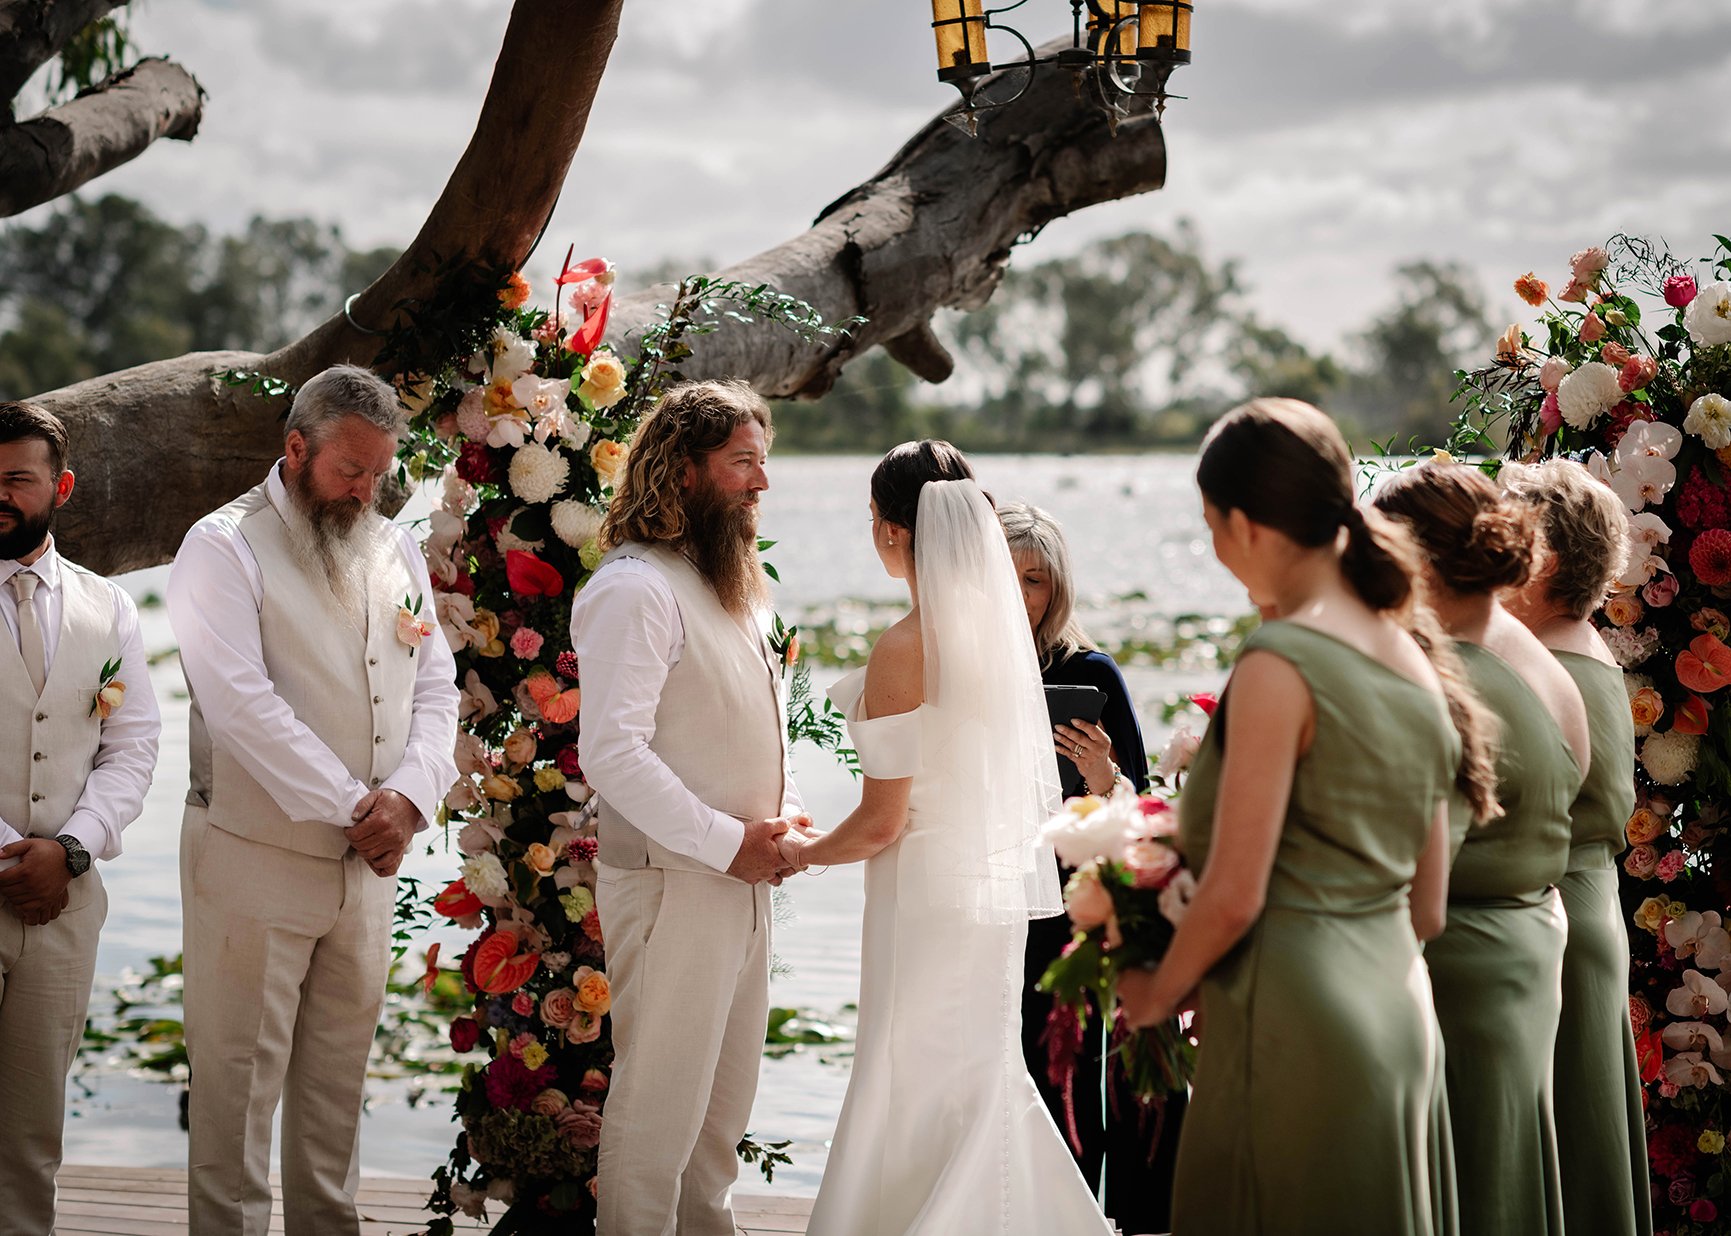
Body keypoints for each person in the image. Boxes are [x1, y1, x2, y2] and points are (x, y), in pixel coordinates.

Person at [1118, 399, 1495, 1236]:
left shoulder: (1280, 661)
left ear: (1243, 525)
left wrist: (1153, 992)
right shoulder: (1416, 659)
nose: (1216, 551)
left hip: (1294, 1026)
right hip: (1399, 1015)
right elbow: (1427, 909)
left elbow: (1234, 897)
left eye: (1211, 528)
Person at [787, 441, 1112, 1236]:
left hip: (924, 892)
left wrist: (799, 852)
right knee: (976, 1068)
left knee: (909, 1066)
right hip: (988, 890)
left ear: (890, 529)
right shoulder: (996, 636)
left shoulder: (907, 644)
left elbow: (881, 820)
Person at [168, 365, 460, 1235]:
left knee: (336, 1101)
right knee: (236, 1099)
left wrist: (410, 798)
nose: (366, 490)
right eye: (349, 471)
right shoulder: (220, 547)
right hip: (251, 862)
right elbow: (241, 706)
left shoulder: (392, 546)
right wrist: (358, 809)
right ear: (295, 449)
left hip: (366, 870)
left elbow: (435, 685)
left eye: (379, 474)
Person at [570, 379, 809, 1236]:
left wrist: (786, 825)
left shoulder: (727, 583)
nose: (760, 482)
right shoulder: (634, 588)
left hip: (743, 882)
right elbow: (612, 753)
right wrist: (725, 843)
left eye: (761, 462)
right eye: (742, 462)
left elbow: (752, 729)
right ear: (683, 469)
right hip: (675, 884)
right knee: (658, 1112)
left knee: (719, 1125)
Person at [1375, 459, 1589, 1236]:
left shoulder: (1447, 676)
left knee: (1464, 1184)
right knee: (1503, 1175)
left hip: (1457, 966)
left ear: (1414, 559)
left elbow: (1404, 853)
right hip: (1528, 941)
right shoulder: (1537, 655)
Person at [0, 401, 160, 1236]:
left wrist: (69, 848)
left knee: (33, 1136)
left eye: (15, 479)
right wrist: (10, 856)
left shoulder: (111, 607)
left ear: (59, 488)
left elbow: (133, 746)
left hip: (65, 903)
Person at [999, 499, 1178, 1233]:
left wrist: (1103, 773)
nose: (1019, 593)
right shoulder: (962, 667)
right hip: (996, 897)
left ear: (1057, 590)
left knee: (1070, 1073)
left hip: (1073, 902)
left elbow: (1142, 811)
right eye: (1006, 575)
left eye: (1034, 579)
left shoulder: (1089, 671)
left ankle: (1087, 1215)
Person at [1502, 458, 1651, 1236]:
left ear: (1544, 560)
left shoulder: (1543, 663)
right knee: (1582, 1130)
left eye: (1505, 538)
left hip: (1554, 913)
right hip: (1587, 904)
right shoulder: (1579, 646)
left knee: (1564, 1135)